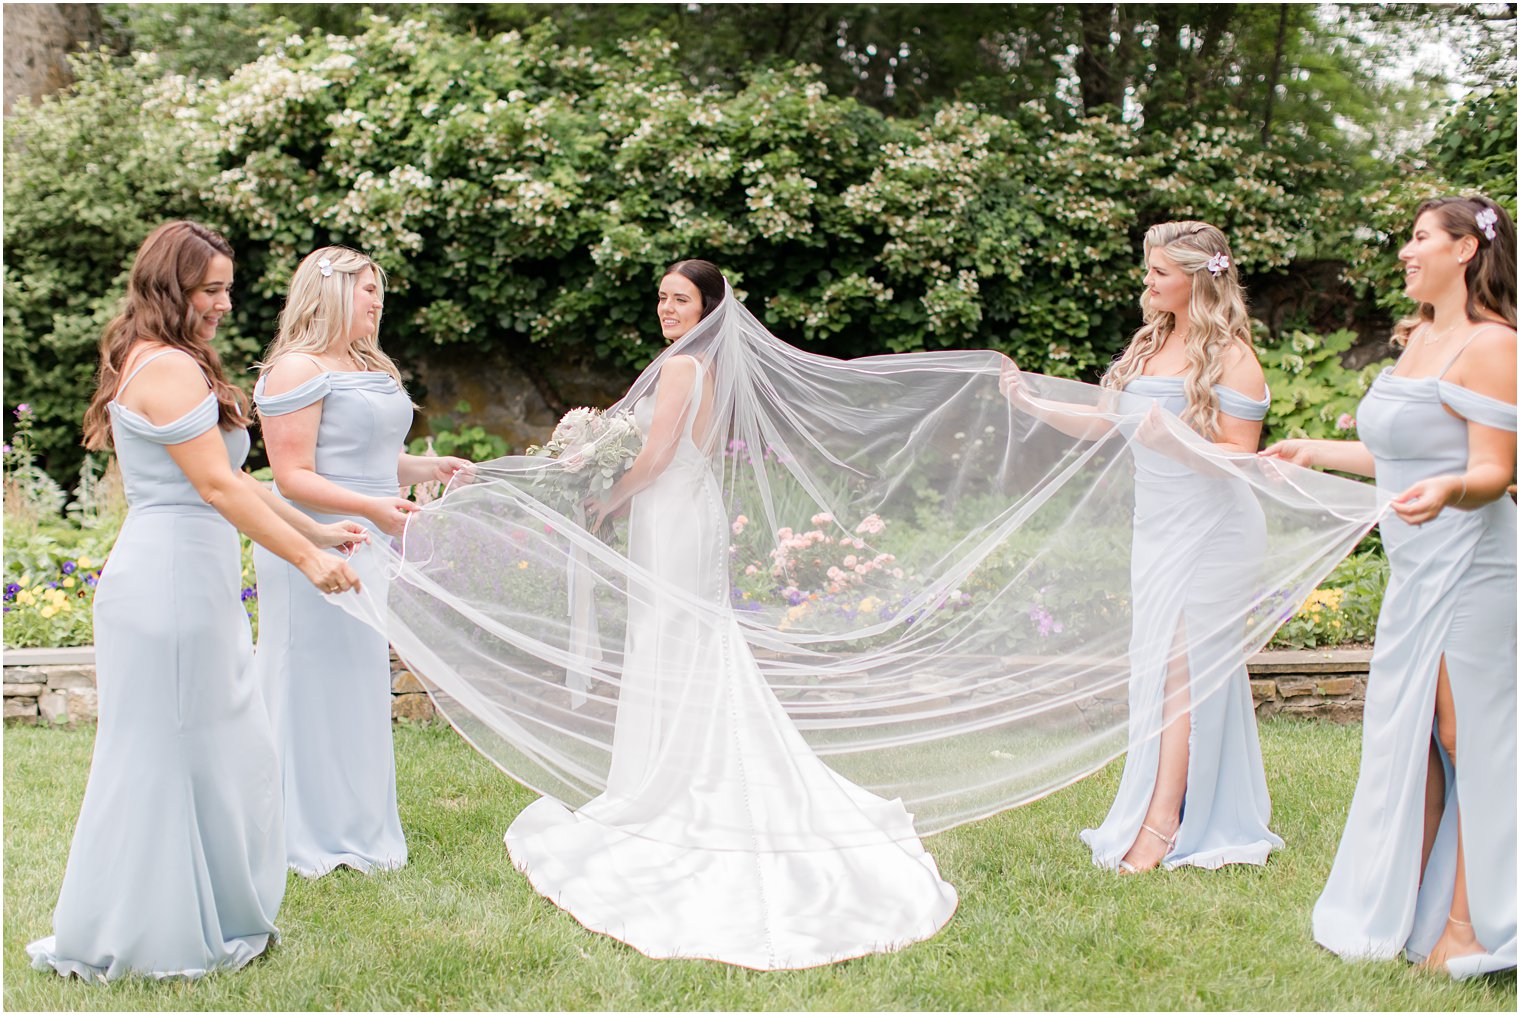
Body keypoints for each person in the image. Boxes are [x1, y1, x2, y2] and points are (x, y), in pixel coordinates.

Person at [503, 260, 959, 969]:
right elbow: (691, 453)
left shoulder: (682, 368)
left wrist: (606, 496)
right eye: (660, 298)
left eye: (680, 299)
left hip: (670, 515)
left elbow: (656, 457)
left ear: (709, 307)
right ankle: (674, 766)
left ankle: (669, 781)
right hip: (691, 512)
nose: (666, 308)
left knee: (670, 638)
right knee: (685, 639)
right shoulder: (702, 368)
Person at [28, 221, 364, 981]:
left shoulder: (169, 360)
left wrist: (317, 527)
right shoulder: (168, 369)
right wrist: (308, 559)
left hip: (191, 581)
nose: (222, 303)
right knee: (169, 753)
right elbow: (214, 487)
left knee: (217, 748)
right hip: (167, 586)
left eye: (226, 288)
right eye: (209, 289)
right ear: (169, 287)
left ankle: (203, 912)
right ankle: (158, 935)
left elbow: (235, 479)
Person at [1264, 195, 1516, 978]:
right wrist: (1316, 449)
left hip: (1475, 564)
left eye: (1419, 239)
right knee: (1420, 740)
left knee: (1464, 736)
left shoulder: (1492, 345)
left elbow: (1494, 472)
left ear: (1467, 249)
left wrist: (1448, 493)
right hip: (1417, 567)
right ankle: (1409, 909)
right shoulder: (1417, 341)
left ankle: (1476, 926)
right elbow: (1403, 458)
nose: (1406, 252)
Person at [1005, 220, 1281, 874]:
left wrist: (1173, 440)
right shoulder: (1150, 343)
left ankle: (1163, 824)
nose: (1148, 281)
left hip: (1215, 528)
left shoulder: (1234, 355)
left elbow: (1241, 456)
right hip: (1155, 526)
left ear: (1196, 278)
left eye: (1159, 272)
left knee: (1182, 671)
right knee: (1157, 667)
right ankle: (1187, 803)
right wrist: (1033, 402)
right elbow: (1108, 420)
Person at [254, 246, 470, 877]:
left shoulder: (364, 363)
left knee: (356, 684)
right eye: (366, 289)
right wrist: (375, 509)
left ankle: (358, 824)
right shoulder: (295, 369)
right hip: (316, 537)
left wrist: (427, 468)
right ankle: (298, 830)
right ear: (328, 294)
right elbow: (291, 476)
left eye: (379, 290)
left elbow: (371, 453)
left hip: (367, 533)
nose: (377, 301)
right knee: (309, 681)